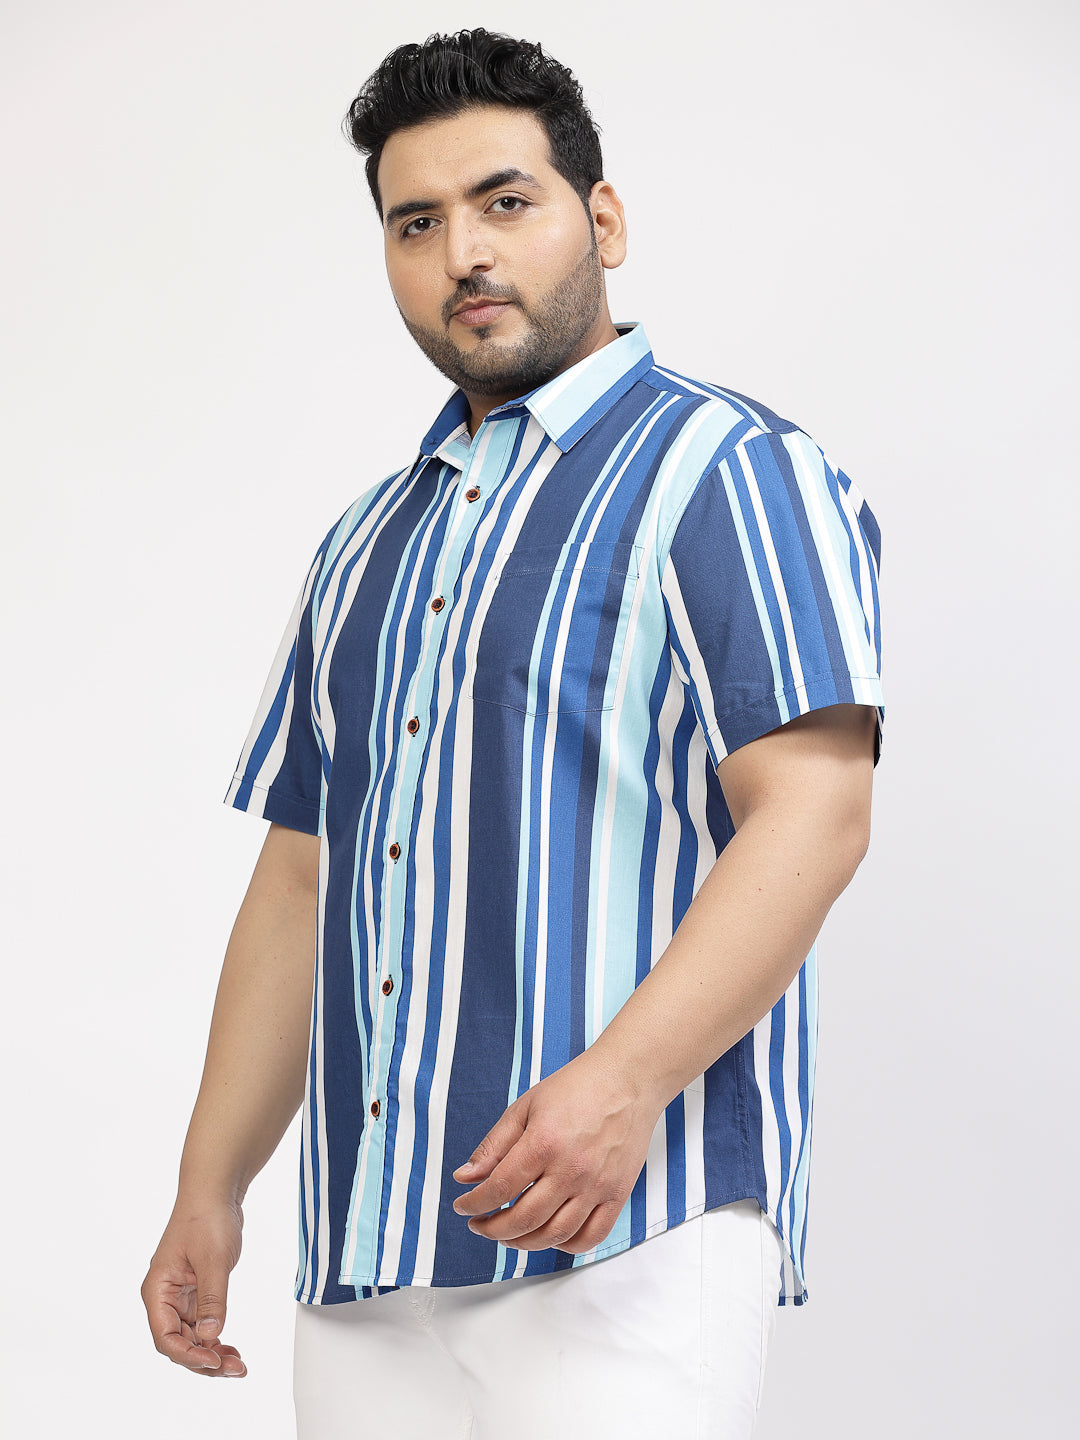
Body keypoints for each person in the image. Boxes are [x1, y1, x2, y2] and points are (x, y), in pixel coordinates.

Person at [142, 27, 885, 1439]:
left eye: (505, 202)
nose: (464, 254)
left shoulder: (729, 470)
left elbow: (816, 813)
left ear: (602, 220)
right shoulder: (365, 541)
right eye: (416, 223)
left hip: (628, 1231)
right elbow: (301, 878)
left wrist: (623, 1087)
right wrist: (210, 1185)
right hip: (369, 1253)